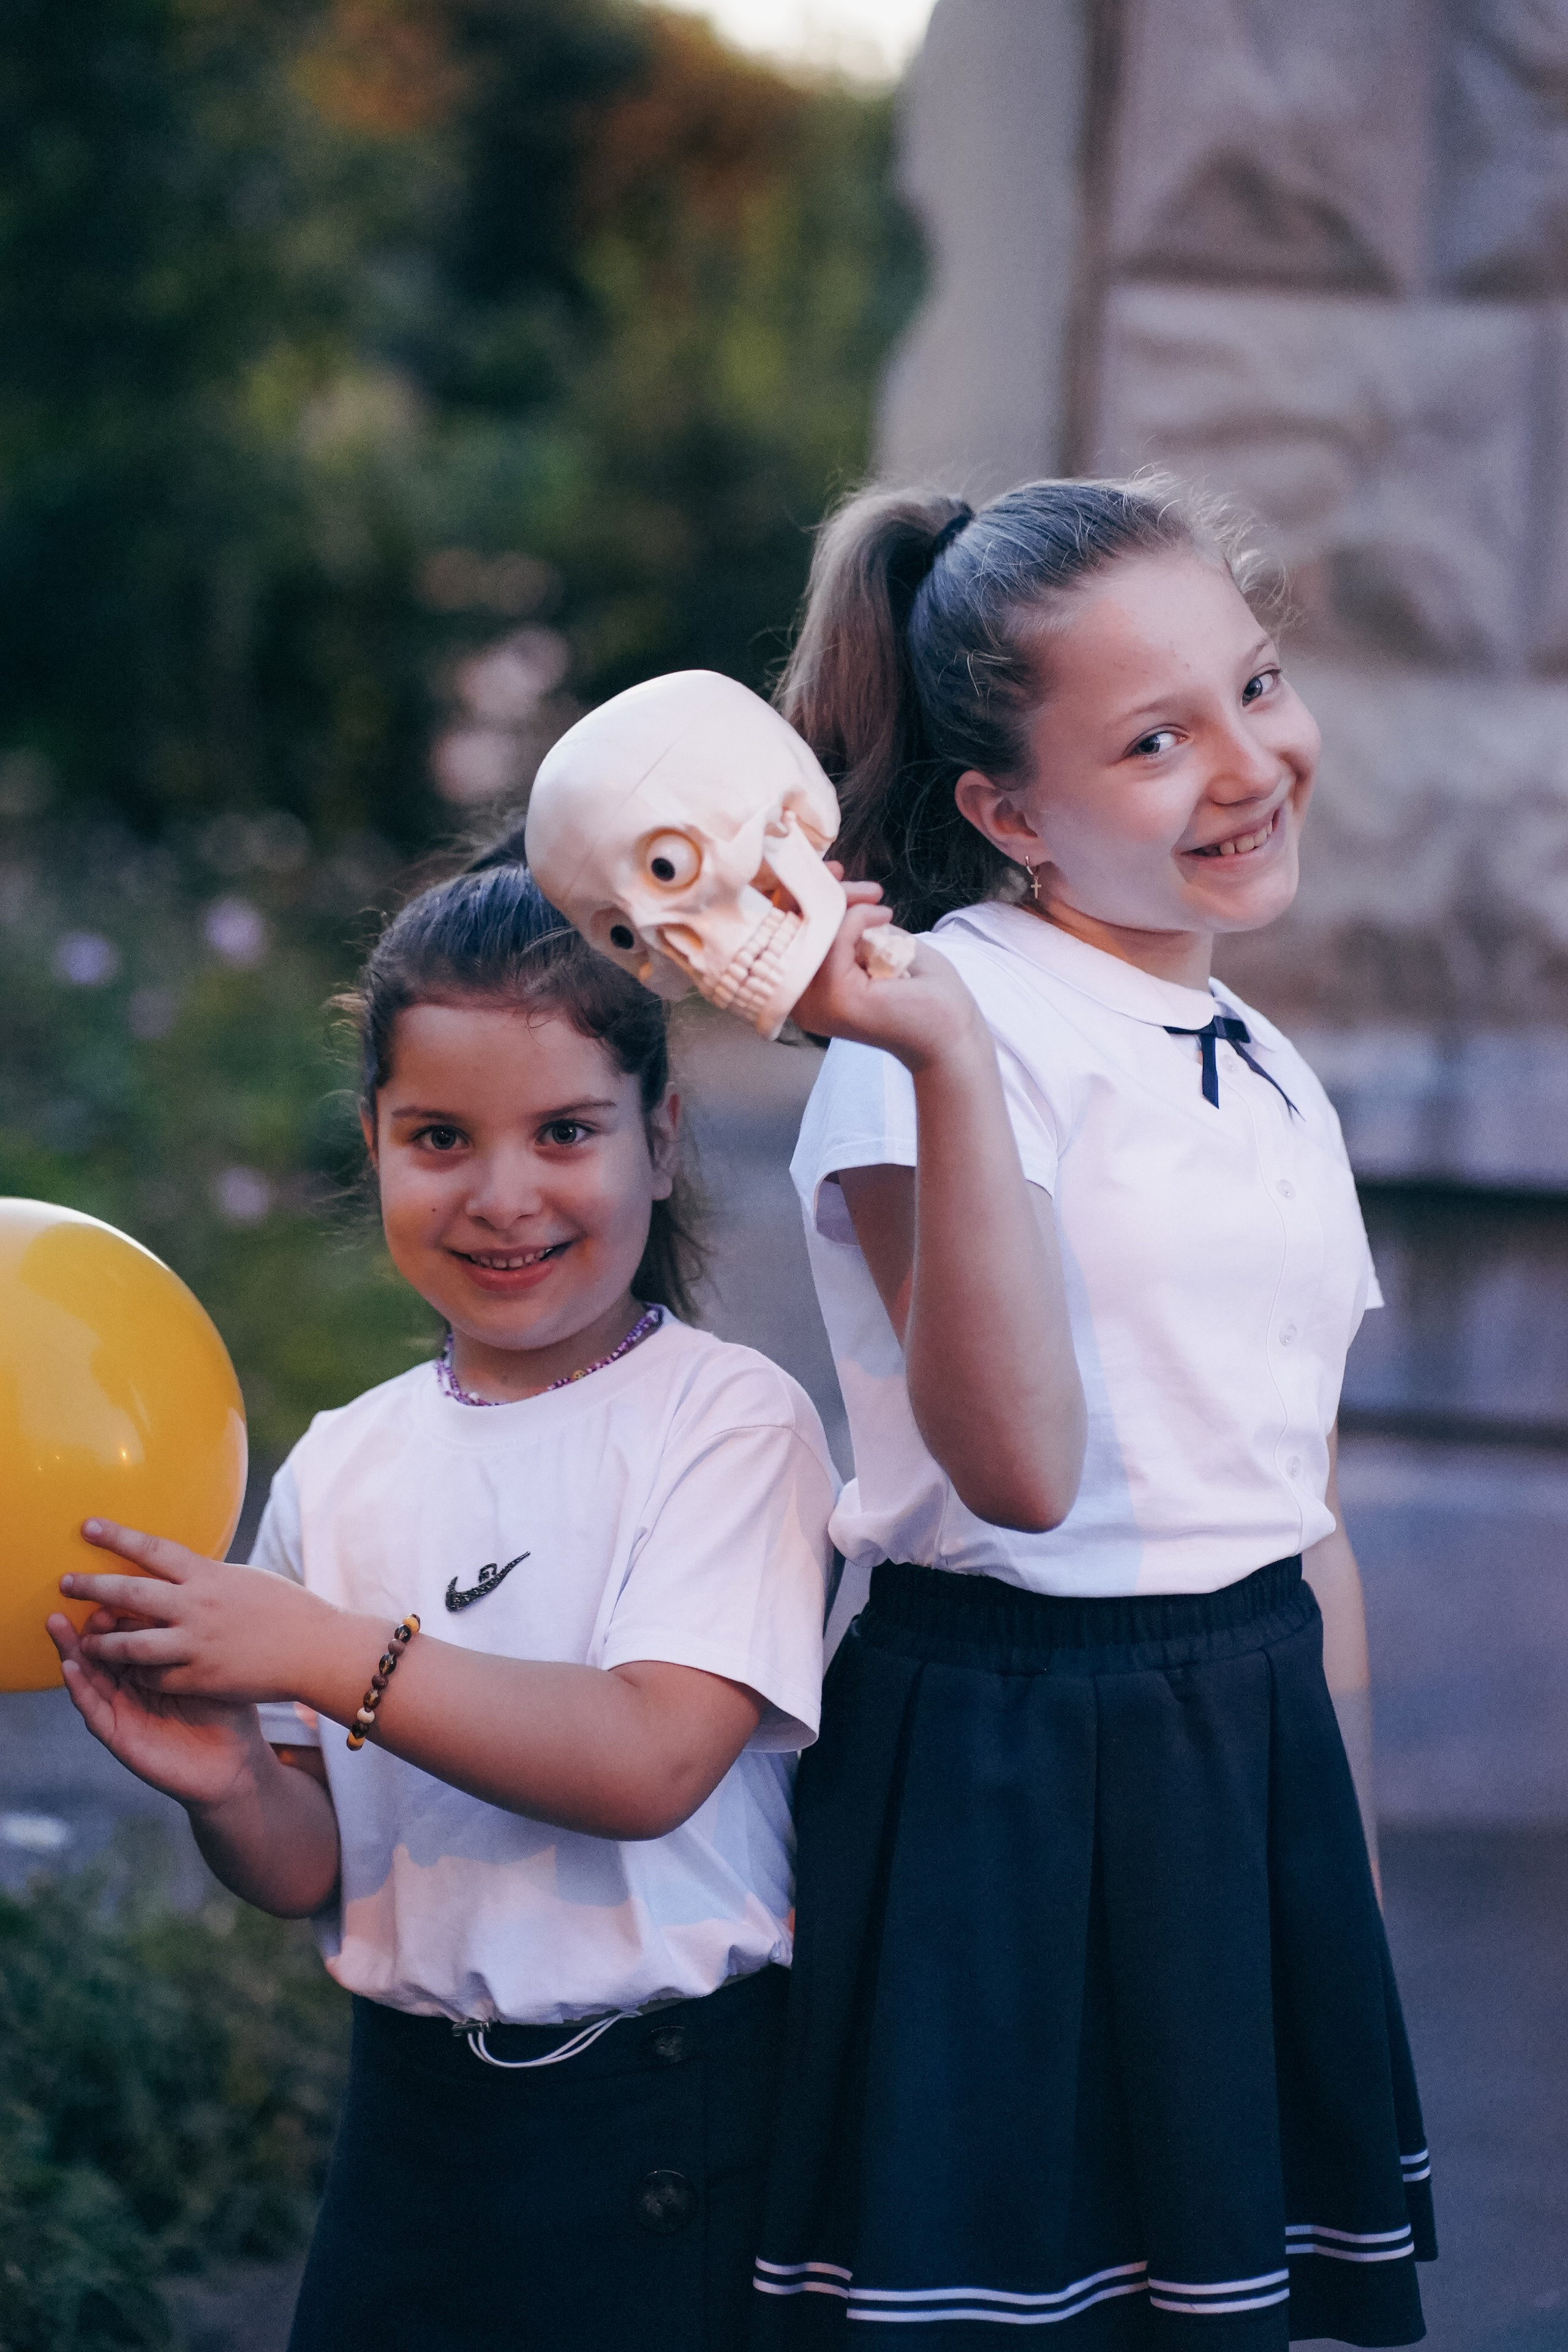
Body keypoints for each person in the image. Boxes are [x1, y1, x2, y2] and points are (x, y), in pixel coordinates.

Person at [751, 477, 1435, 2347]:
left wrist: (1341, 1875)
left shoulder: (1267, 1069)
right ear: (1007, 813)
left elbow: (1299, 1510)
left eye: (1257, 684)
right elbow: (1022, 1471)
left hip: (1248, 1737)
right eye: (1155, 738)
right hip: (1007, 1756)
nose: (1248, 763)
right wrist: (949, 1061)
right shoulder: (937, 1034)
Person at [48, 857, 837, 2352]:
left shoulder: (728, 1422)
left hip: (667, 2128)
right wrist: (226, 1783)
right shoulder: (345, 1461)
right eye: (438, 1138)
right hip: (409, 2128)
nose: (502, 1194)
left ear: (659, 1141)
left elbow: (646, 1760)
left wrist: (326, 1653)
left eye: (565, 1132)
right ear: (374, 1146)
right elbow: (307, 1868)